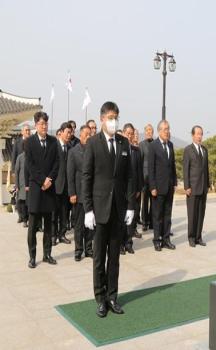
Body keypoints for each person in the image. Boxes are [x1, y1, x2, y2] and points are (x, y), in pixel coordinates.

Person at [82, 101, 134, 318]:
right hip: (100, 207)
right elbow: (87, 176)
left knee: (115, 256)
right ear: (102, 118)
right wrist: (88, 209)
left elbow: (129, 176)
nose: (114, 121)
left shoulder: (124, 143)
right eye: (110, 117)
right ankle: (100, 298)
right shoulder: (93, 143)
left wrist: (131, 206)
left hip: (118, 209)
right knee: (99, 257)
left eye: (116, 117)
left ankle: (113, 296)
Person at [25, 111, 59, 268]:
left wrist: (50, 179)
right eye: (41, 123)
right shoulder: (30, 142)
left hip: (49, 188)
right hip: (36, 189)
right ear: (35, 125)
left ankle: (47, 254)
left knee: (49, 225)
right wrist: (42, 180)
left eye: (46, 123)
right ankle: (32, 256)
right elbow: (30, 165)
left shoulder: (53, 141)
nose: (44, 126)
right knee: (32, 226)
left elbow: (57, 163)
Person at [148, 120, 177, 251]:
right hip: (158, 188)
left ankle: (166, 239)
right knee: (157, 216)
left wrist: (175, 182)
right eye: (165, 129)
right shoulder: (153, 146)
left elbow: (173, 166)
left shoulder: (170, 145)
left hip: (169, 187)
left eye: (168, 129)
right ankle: (157, 240)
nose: (167, 131)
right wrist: (152, 186)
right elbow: (151, 168)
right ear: (159, 130)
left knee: (167, 215)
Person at [67, 125, 93, 261]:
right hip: (78, 194)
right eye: (86, 134)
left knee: (90, 224)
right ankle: (78, 250)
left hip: (91, 195)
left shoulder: (93, 151)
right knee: (79, 225)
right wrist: (72, 193)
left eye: (90, 134)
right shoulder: (73, 152)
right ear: (81, 135)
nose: (88, 137)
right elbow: (70, 175)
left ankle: (89, 249)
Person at [183, 125, 210, 247]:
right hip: (192, 188)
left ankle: (199, 237)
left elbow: (206, 169)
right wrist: (187, 187)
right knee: (192, 214)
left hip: (203, 187)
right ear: (193, 135)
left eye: (201, 134)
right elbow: (185, 169)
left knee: (201, 213)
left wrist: (208, 184)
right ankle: (191, 237)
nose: (200, 136)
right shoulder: (188, 150)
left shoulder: (204, 150)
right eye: (198, 134)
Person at [120, 123, 143, 254]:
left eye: (131, 133)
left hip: (133, 191)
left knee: (131, 219)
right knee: (121, 220)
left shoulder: (136, 150)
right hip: (121, 191)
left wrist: (139, 188)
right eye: (127, 133)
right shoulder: (119, 149)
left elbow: (139, 172)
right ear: (123, 133)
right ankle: (120, 245)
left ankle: (129, 243)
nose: (129, 135)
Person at [53, 122, 72, 246]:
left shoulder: (70, 148)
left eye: (71, 133)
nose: (69, 135)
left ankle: (62, 234)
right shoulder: (54, 147)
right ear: (61, 132)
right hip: (55, 186)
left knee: (64, 213)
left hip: (67, 187)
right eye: (68, 132)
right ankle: (53, 236)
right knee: (54, 213)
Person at [12, 123, 31, 223]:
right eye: (26, 130)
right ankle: (21, 216)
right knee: (20, 197)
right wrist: (13, 171)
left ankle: (26, 217)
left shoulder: (33, 141)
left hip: (29, 173)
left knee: (26, 197)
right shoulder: (17, 142)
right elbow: (14, 156)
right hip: (20, 171)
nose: (28, 132)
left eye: (29, 130)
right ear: (22, 131)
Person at [139, 124, 154, 231]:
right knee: (145, 201)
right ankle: (144, 222)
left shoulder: (156, 143)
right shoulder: (141, 145)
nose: (149, 132)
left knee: (154, 201)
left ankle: (152, 221)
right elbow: (139, 163)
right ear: (145, 132)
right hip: (144, 178)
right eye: (147, 130)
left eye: (151, 130)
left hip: (154, 178)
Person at [15, 141, 28, 227]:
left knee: (29, 203)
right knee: (22, 202)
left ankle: (29, 219)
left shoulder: (32, 156)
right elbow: (16, 172)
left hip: (30, 184)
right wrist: (17, 185)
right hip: (22, 184)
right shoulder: (20, 157)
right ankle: (24, 220)